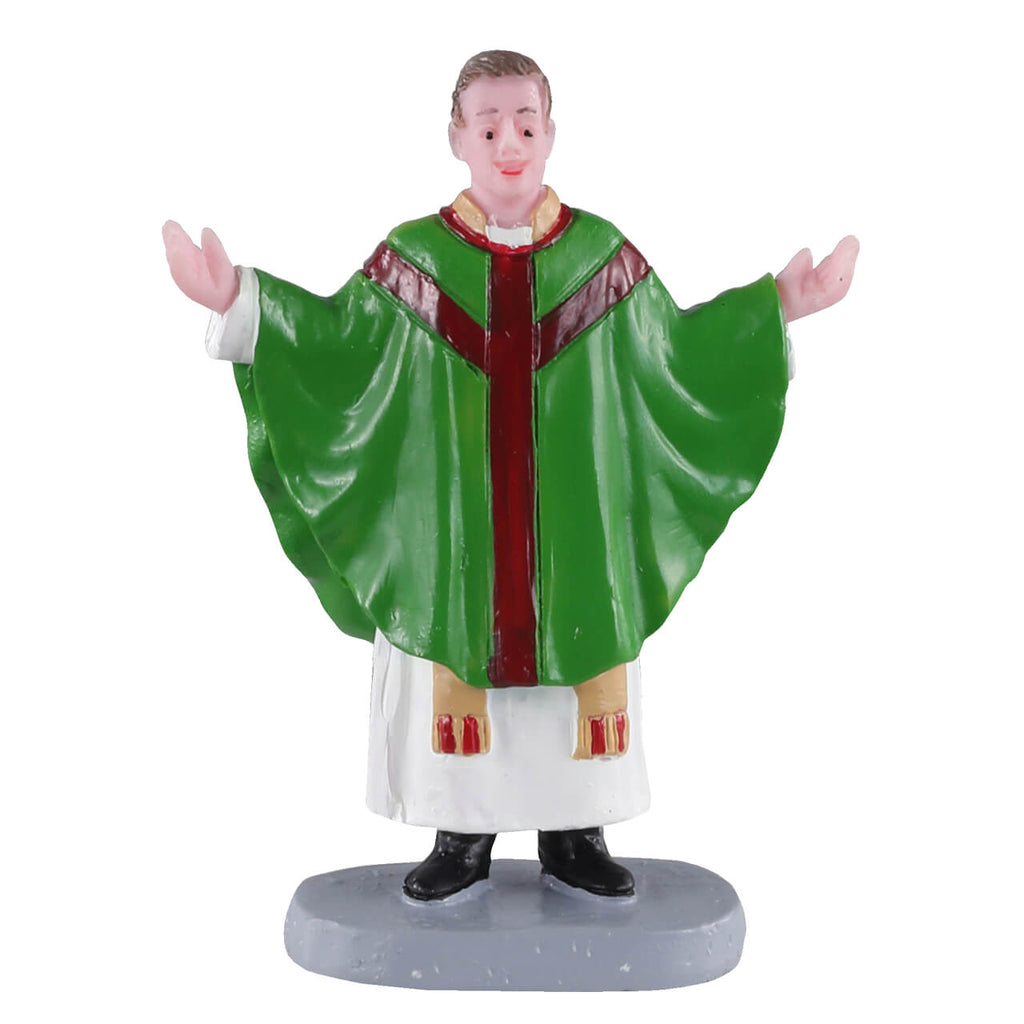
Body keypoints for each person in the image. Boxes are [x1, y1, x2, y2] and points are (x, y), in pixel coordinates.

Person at [164, 50, 858, 902]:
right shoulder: (412, 263)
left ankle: (576, 835)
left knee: (573, 689)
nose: (509, 145)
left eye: (526, 125)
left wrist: (773, 308)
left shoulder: (602, 258)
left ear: (551, 134)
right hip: (452, 542)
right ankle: (461, 836)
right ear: (456, 138)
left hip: (576, 546)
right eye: (489, 127)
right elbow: (338, 345)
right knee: (460, 690)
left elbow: (673, 354)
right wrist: (241, 298)